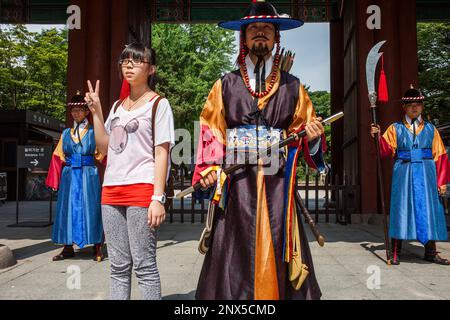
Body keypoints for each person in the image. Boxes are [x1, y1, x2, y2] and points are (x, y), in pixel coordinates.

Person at [192, 0, 327, 300]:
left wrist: (314, 138)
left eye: (267, 28)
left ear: (277, 36)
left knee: (277, 242)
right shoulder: (224, 85)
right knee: (233, 253)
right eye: (254, 29)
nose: (261, 34)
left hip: (277, 185)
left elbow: (303, 131)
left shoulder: (293, 87)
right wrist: (209, 169)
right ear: (244, 37)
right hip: (236, 184)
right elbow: (211, 130)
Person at [85, 43, 175, 300]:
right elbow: (105, 147)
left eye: (136, 61)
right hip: (111, 191)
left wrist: (158, 198)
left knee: (144, 266)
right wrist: (97, 112)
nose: (129, 65)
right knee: (117, 266)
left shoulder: (159, 104)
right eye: (125, 61)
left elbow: (162, 152)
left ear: (151, 69)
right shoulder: (116, 107)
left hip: (141, 189)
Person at [370, 86, 449, 265]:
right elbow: (384, 151)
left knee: (429, 209)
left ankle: (431, 251)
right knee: (401, 209)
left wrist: (442, 181)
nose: (414, 108)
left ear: (422, 106)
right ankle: (395, 251)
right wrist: (377, 138)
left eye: (418, 104)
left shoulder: (431, 129)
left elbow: (441, 156)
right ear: (404, 107)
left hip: (427, 173)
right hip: (404, 172)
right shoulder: (394, 128)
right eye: (410, 104)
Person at [46, 92, 105, 262]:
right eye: (74, 111)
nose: (76, 114)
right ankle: (67, 246)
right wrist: (54, 180)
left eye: (79, 110)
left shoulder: (95, 132)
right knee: (67, 209)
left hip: (88, 174)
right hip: (70, 175)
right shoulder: (65, 134)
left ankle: (97, 246)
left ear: (87, 112)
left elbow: (104, 155)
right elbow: (58, 157)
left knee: (92, 207)